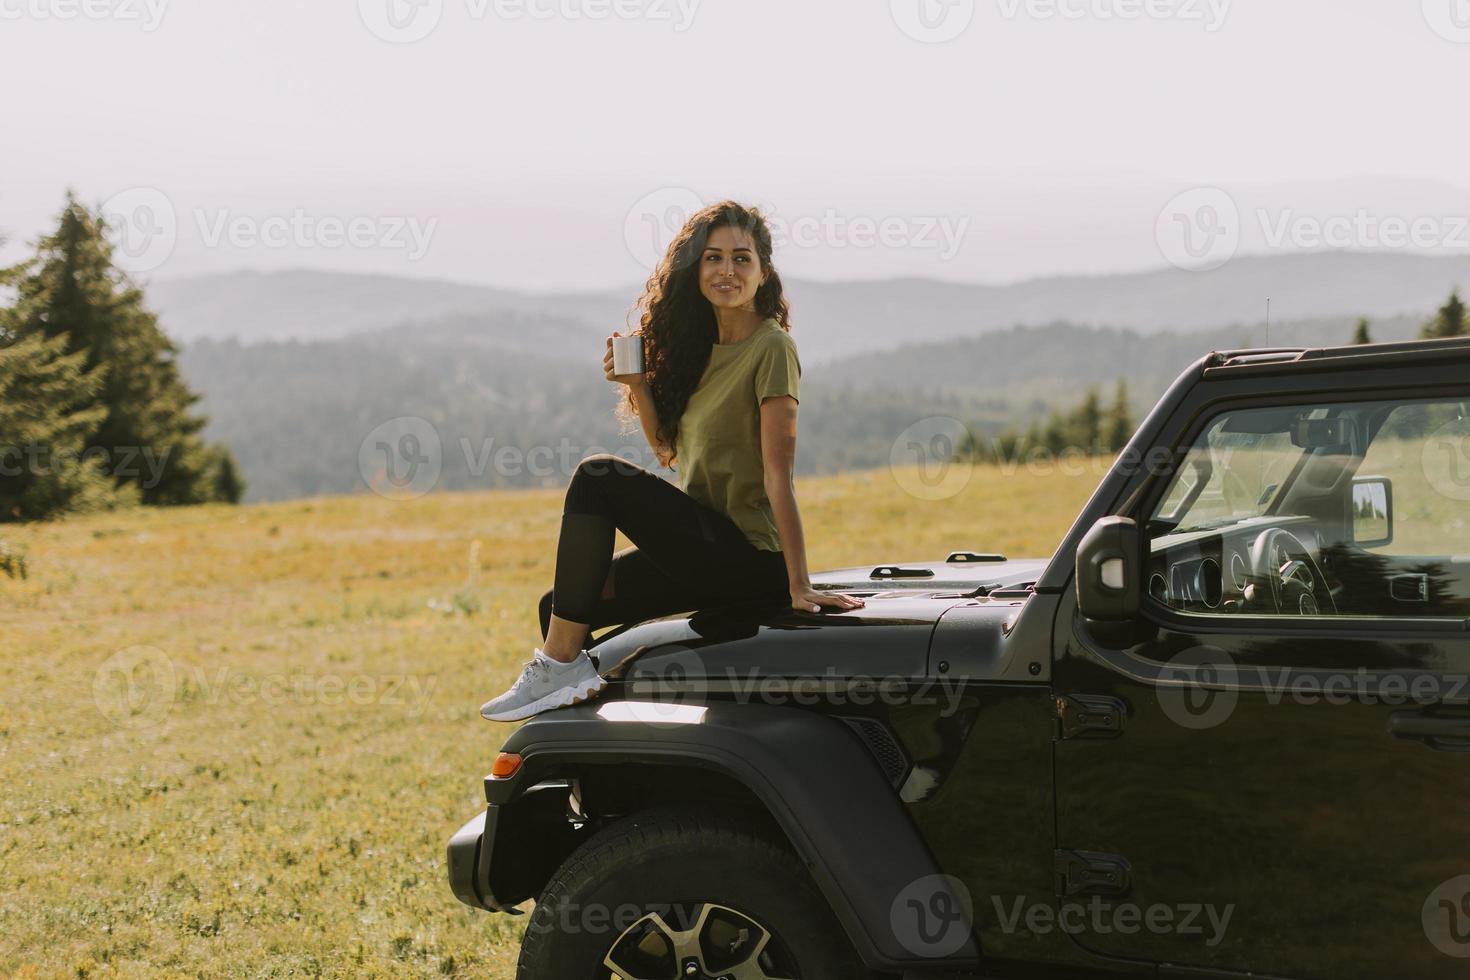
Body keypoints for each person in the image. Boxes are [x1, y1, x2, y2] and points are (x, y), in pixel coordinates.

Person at [479, 200, 865, 722]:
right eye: (713, 258)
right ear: (696, 269)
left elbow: (780, 475)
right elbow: (668, 451)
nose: (726, 270)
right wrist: (638, 385)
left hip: (746, 557)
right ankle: (593, 732)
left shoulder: (772, 347)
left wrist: (798, 583)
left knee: (598, 477)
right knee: (559, 607)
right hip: (700, 548)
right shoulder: (699, 351)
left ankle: (558, 668)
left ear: (763, 272)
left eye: (741, 258)